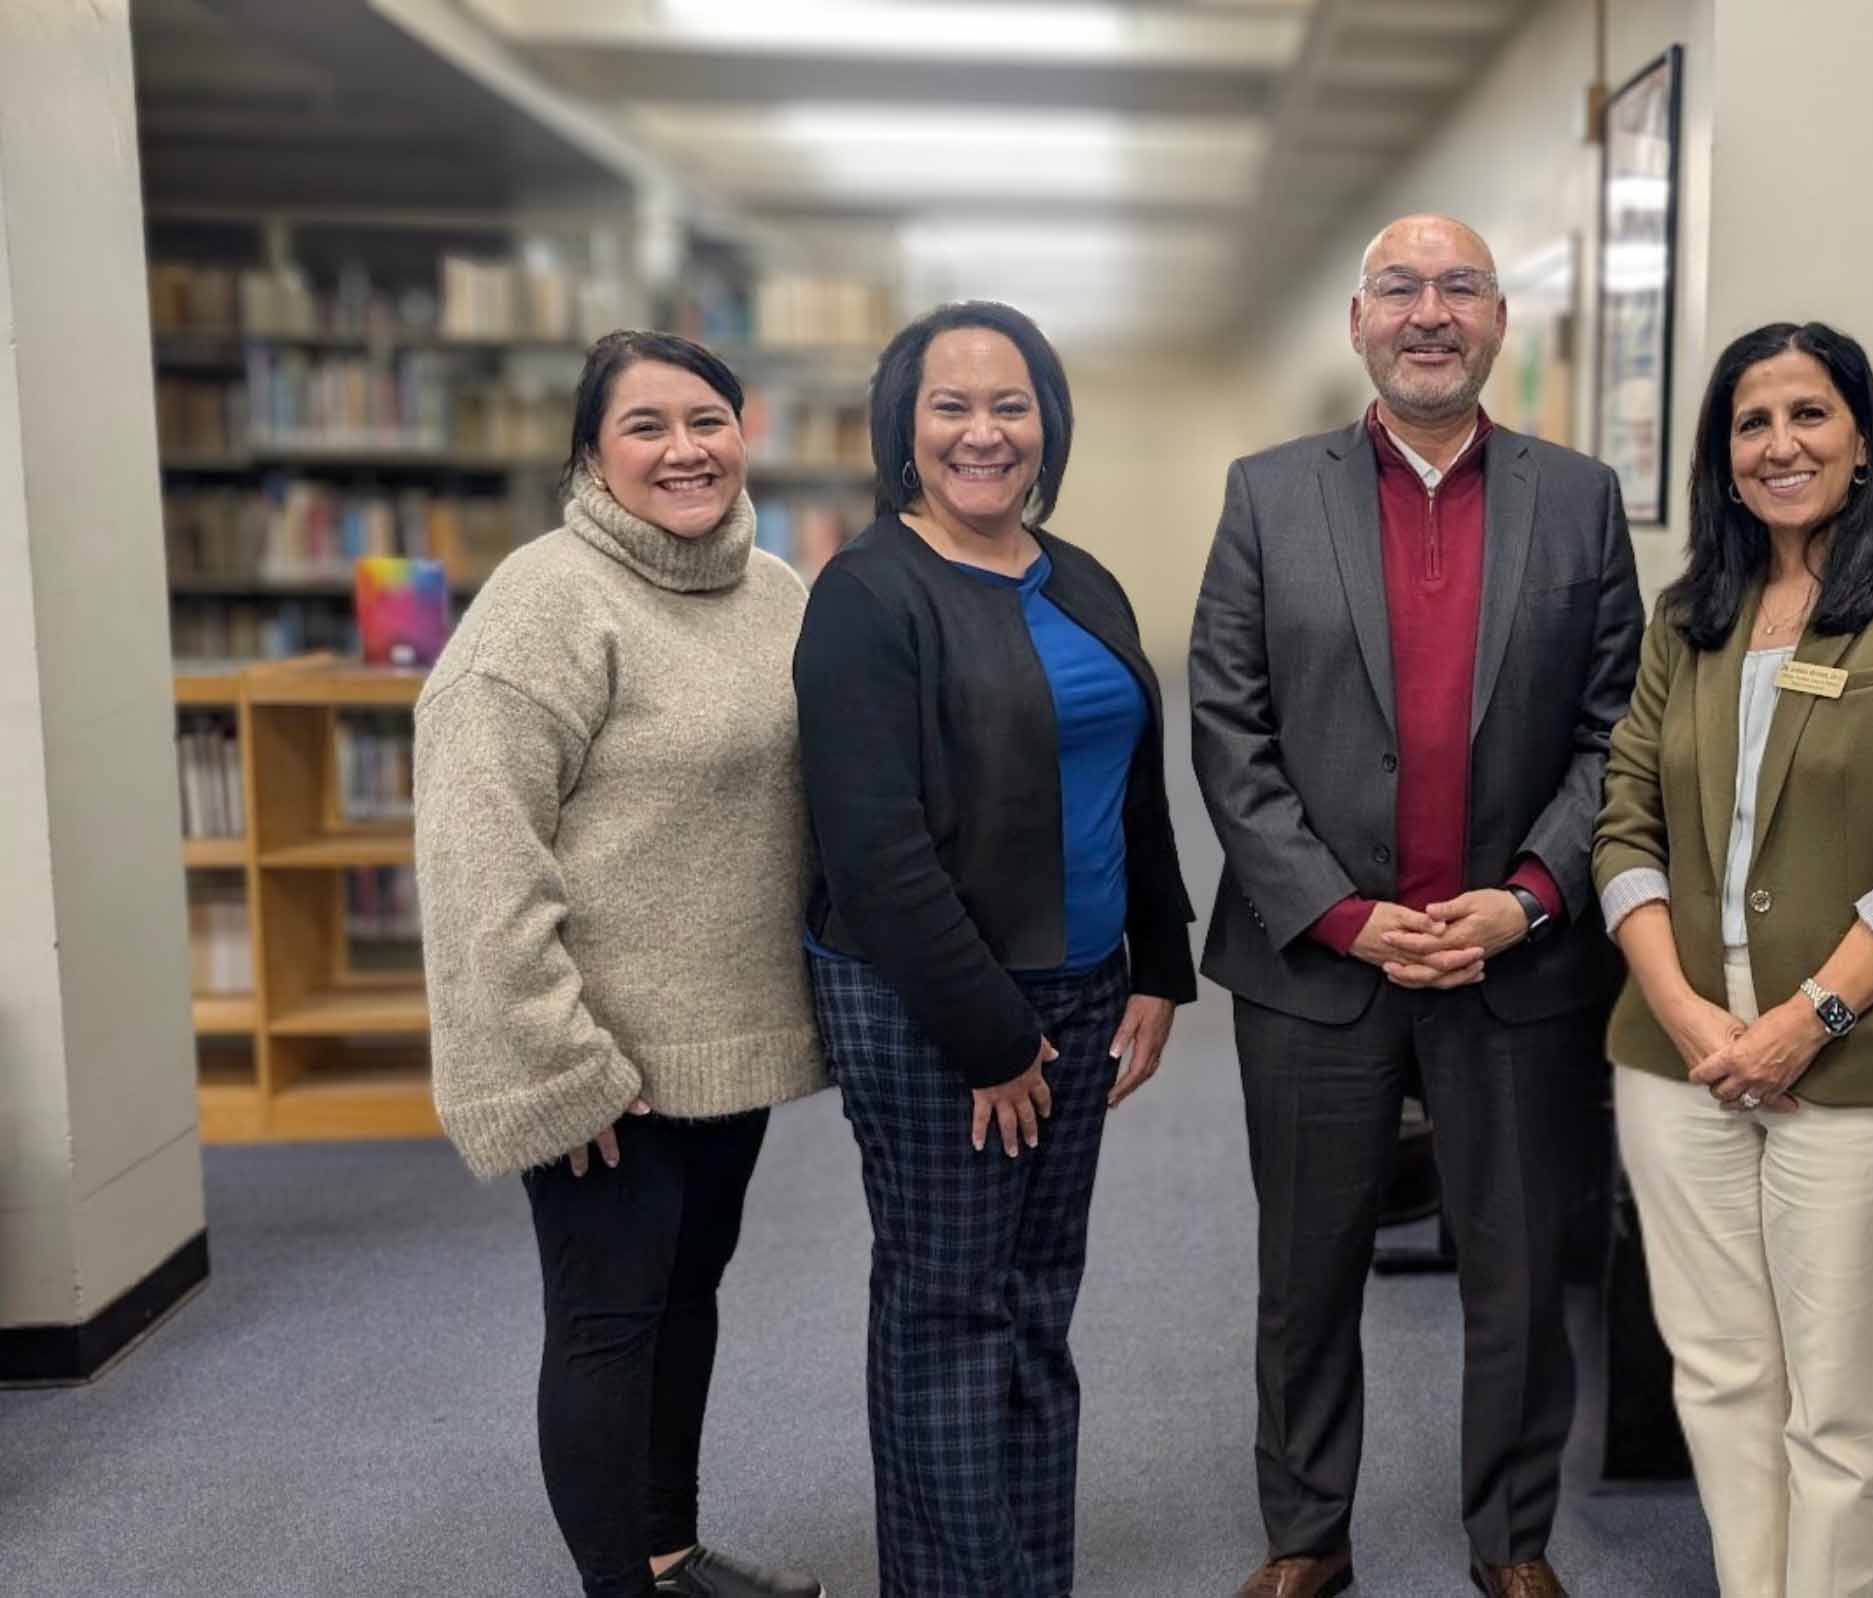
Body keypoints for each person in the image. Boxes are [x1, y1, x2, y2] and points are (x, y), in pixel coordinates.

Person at [1190, 213, 1644, 1598]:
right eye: (1402, 287)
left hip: (1516, 961)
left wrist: (1526, 896)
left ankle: (1511, 1539)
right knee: (1307, 1268)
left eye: (1459, 288)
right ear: (1359, 321)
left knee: (1516, 1272)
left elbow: (1612, 728)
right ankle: (1307, 1533)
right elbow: (1226, 721)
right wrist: (1337, 910)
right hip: (1323, 963)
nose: (1429, 312)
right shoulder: (1269, 492)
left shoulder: (1579, 498)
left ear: (1501, 321)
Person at [1591, 321, 1873, 1596]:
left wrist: (1805, 1017)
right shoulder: (1690, 617)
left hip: (1869, 1061)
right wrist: (1677, 1006)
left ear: (1861, 440)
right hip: (1678, 1061)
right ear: (1723, 464)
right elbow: (1623, 818)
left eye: (1807, 415)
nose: (1779, 443)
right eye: (1750, 423)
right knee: (1720, 1379)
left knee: (1842, 1407)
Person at [794, 300, 1196, 1598]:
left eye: (1010, 403)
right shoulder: (867, 597)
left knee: (1035, 1301)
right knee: (950, 1310)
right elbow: (876, 851)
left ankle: (1028, 1574)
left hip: (1078, 992)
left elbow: (1136, 780)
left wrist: (1158, 960)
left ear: (1047, 423)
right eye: (951, 405)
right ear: (903, 431)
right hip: (935, 1009)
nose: (984, 430)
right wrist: (991, 1036)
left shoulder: (1077, 575)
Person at [416, 331, 827, 1598]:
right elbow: (477, 850)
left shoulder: (778, 592)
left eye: (706, 418)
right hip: (601, 1058)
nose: (684, 448)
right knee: (607, 1324)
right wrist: (560, 1060)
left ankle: (667, 1551)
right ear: (590, 452)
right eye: (644, 425)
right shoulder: (544, 602)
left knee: (685, 1299)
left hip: (728, 1037)